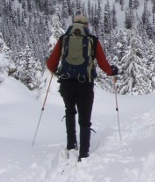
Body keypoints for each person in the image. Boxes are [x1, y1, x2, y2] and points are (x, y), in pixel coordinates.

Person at [46, 14, 118, 159]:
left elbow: (51, 63)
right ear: (86, 25)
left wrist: (56, 72)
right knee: (85, 118)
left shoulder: (63, 39)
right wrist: (112, 71)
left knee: (70, 111)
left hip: (66, 83)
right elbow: (103, 63)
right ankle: (84, 152)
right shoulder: (92, 40)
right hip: (85, 83)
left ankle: (71, 144)